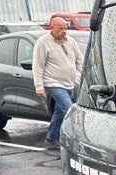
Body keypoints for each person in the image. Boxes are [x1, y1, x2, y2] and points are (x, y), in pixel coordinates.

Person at [32, 17, 83, 147]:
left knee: (59, 112)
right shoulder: (43, 43)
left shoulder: (70, 41)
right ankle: (77, 141)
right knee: (69, 110)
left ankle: (51, 137)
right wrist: (39, 86)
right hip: (53, 83)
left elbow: (80, 60)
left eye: (66, 28)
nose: (64, 31)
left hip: (70, 83)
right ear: (52, 28)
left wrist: (77, 77)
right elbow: (38, 66)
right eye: (60, 29)